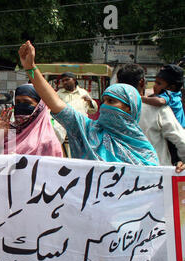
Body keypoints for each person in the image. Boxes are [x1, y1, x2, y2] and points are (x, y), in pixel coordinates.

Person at [18, 40, 159, 167]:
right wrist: (31, 68)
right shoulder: (87, 130)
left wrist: (179, 171)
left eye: (111, 101)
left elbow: (155, 184)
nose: (104, 106)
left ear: (129, 108)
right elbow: (55, 103)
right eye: (104, 101)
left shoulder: (144, 150)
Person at [117, 63, 185, 166]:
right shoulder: (158, 109)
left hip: (122, 173)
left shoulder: (110, 109)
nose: (154, 86)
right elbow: (181, 141)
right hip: (157, 174)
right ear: (142, 82)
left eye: (158, 83)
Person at [0, 83, 63, 157]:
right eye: (18, 102)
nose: (21, 106)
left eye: (27, 102)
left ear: (40, 106)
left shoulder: (48, 140)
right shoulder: (9, 132)